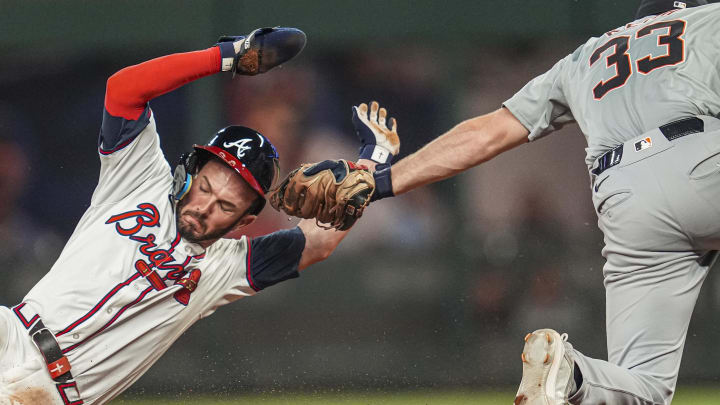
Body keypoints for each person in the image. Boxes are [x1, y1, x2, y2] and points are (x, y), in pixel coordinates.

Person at [274, 1, 719, 404]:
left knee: (643, 386)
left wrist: (383, 182)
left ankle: (574, 375)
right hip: (702, 156)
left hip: (624, 198)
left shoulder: (585, 58)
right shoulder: (709, 19)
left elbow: (486, 132)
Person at [0, 27, 389, 405]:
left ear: (244, 222)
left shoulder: (223, 266)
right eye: (206, 187)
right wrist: (226, 57)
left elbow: (317, 243)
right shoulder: (139, 178)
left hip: (52, 395)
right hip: (11, 333)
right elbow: (124, 89)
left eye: (226, 206)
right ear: (189, 169)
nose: (206, 206)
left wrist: (368, 167)